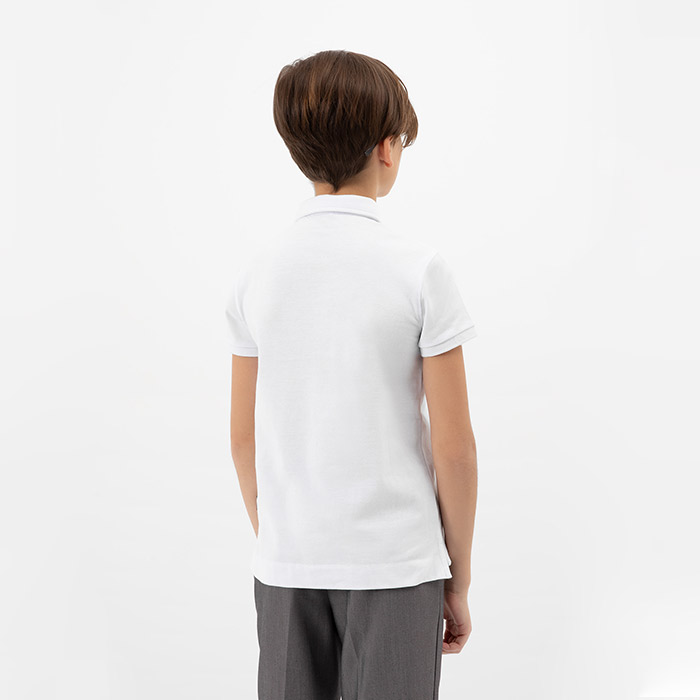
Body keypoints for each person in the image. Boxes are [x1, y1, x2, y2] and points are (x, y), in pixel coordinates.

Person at [225, 49, 478, 700]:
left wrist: (283, 535)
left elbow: (242, 439)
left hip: (288, 563)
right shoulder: (419, 271)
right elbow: (454, 449)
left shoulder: (258, 276)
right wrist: (457, 579)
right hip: (399, 565)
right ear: (387, 149)